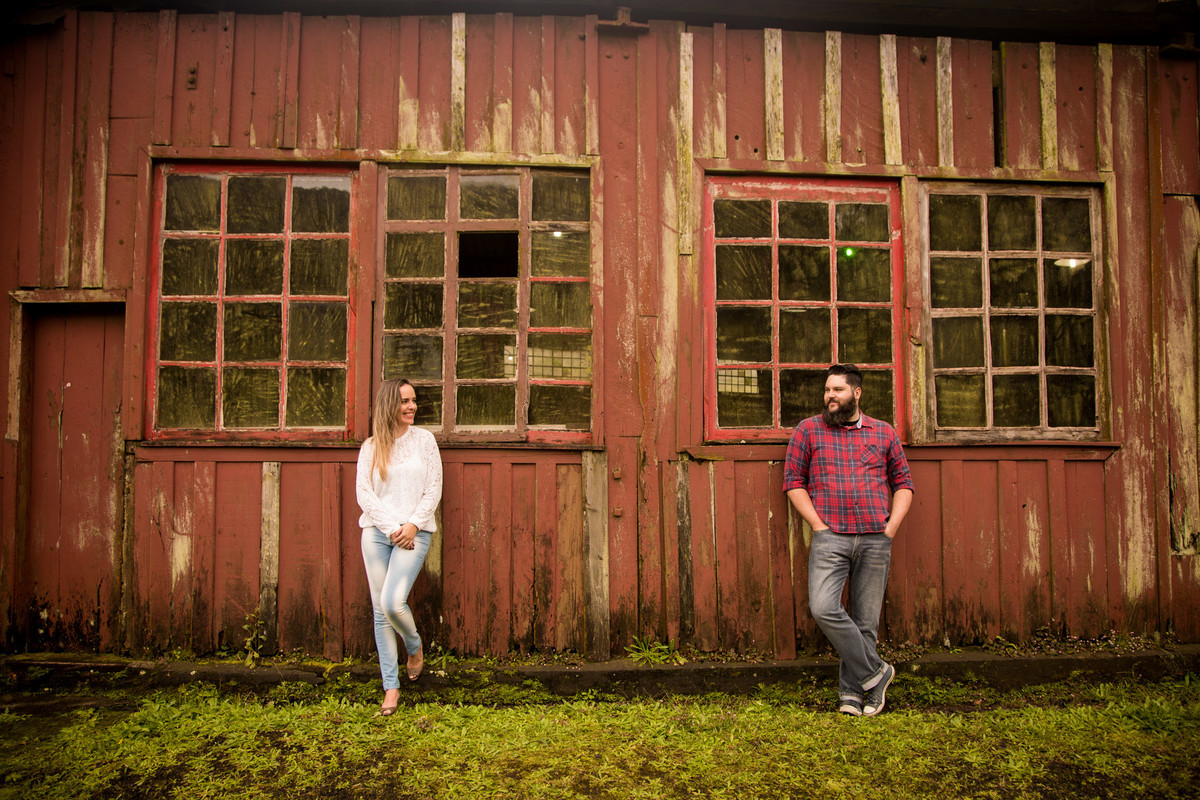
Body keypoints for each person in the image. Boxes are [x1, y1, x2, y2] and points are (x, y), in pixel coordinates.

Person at [783, 364, 914, 717]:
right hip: (831, 537)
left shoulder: (883, 433)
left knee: (866, 623)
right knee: (824, 607)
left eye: (837, 390)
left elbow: (903, 484)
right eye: (827, 390)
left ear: (856, 393)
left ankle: (855, 695)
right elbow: (793, 481)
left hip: (875, 537)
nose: (830, 396)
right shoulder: (809, 430)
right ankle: (877, 673)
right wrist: (818, 525)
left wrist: (891, 528)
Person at [356, 378, 443, 716]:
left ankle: (415, 647)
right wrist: (392, 528)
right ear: (389, 405)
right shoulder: (371, 447)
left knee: (393, 603)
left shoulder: (425, 441)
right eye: (404, 401)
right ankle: (390, 688)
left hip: (415, 531)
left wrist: (411, 525)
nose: (411, 407)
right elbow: (365, 494)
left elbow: (433, 488)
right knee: (381, 612)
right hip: (378, 533)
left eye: (414, 401)